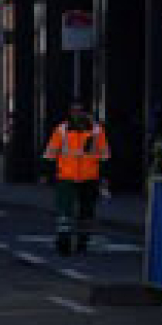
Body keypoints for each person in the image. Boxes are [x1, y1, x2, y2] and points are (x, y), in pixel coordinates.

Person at [43, 103, 110, 255]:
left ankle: (82, 241)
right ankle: (63, 241)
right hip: (66, 177)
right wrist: (48, 173)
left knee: (86, 212)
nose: (77, 114)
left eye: (80, 111)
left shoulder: (96, 131)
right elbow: (50, 153)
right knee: (64, 212)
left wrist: (104, 177)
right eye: (74, 111)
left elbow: (104, 156)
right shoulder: (62, 130)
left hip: (90, 177)